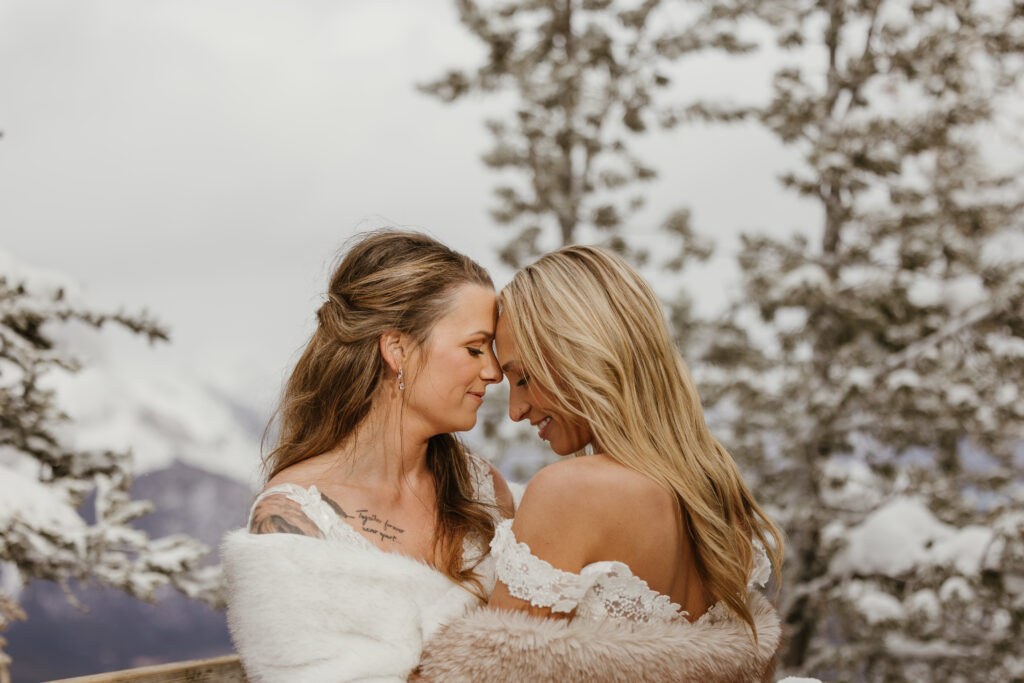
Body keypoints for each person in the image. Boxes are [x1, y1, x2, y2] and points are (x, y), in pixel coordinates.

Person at [417, 245, 785, 682]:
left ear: (583, 354)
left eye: (524, 378)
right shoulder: (717, 497)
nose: (515, 410)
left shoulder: (570, 492)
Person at [221, 230, 514, 683]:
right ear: (397, 349)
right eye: (475, 348)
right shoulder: (292, 520)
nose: (494, 371)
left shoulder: (482, 489)